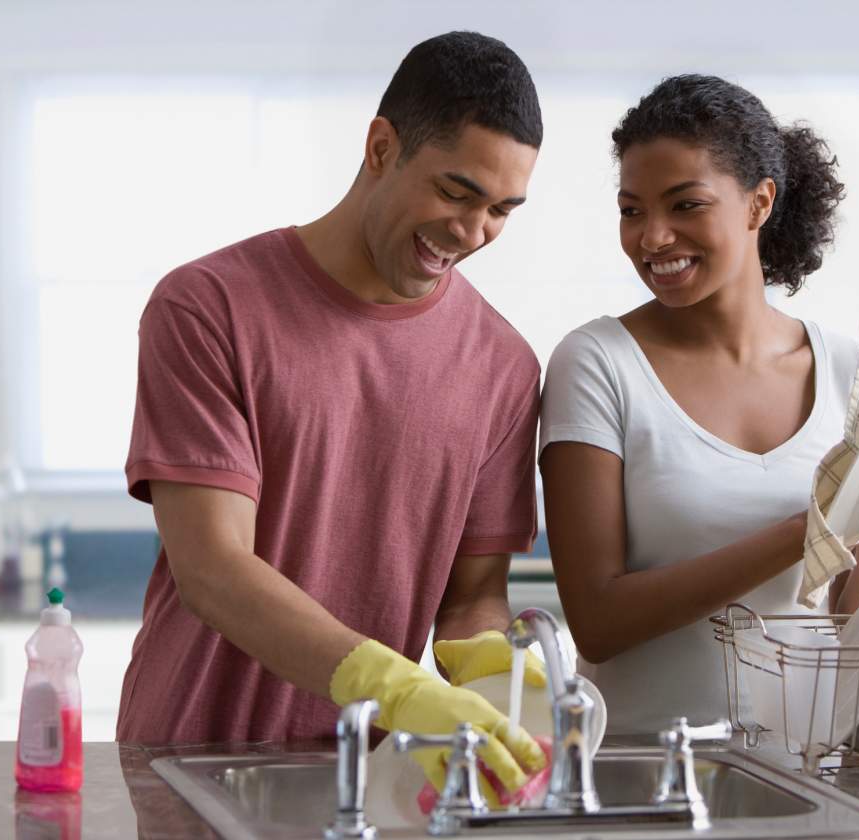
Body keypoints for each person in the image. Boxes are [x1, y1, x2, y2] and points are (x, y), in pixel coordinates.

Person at [117, 31, 549, 801]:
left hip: (368, 781)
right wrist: (390, 682)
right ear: (381, 146)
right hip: (189, 762)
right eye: (455, 193)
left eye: (500, 211)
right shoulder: (209, 309)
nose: (473, 232)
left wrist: (487, 665)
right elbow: (212, 569)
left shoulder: (504, 368)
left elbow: (472, 592)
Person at [538, 75, 859, 735]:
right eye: (631, 209)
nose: (652, 237)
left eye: (685, 205)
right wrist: (815, 525)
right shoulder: (598, 363)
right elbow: (598, 623)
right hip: (649, 771)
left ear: (758, 202)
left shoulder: (850, 370)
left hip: (810, 768)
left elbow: (856, 626)